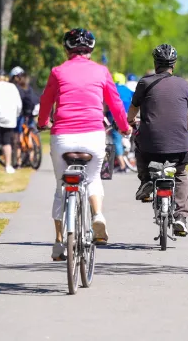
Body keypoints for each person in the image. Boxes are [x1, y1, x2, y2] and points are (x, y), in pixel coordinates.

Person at [37, 28, 131, 261]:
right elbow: (115, 103)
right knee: (93, 178)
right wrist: (124, 127)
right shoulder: (101, 71)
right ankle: (97, 214)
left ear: (66, 48)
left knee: (61, 187)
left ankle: (59, 243)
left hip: (62, 137)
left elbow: (46, 100)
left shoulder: (57, 71)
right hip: (93, 136)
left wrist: (42, 122)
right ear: (91, 48)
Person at [127, 43, 188, 236]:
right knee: (180, 173)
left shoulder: (144, 82)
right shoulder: (183, 84)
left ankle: (146, 182)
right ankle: (181, 217)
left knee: (139, 145)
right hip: (179, 145)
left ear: (155, 63)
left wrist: (131, 121)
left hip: (151, 144)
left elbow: (134, 108)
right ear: (173, 64)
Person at [0, 69, 22, 174]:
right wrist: (16, 115)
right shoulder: (12, 87)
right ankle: (8, 165)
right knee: (7, 141)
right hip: (10, 118)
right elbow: (19, 104)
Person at [9, 66, 39, 166]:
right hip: (31, 113)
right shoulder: (28, 87)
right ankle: (31, 158)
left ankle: (18, 162)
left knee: (18, 137)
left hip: (21, 115)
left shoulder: (16, 88)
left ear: (14, 78)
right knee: (29, 134)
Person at [111, 72, 134, 173]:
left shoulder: (113, 90)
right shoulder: (127, 90)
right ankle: (131, 160)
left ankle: (122, 165)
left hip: (114, 119)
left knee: (116, 141)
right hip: (129, 118)